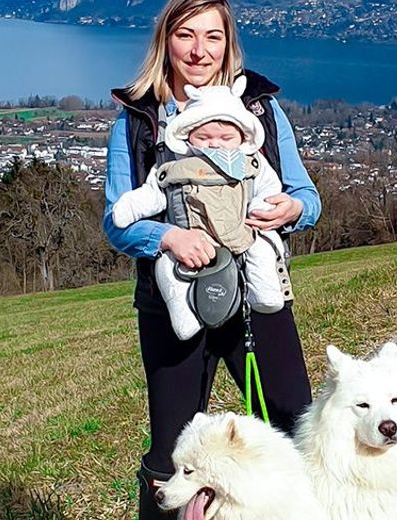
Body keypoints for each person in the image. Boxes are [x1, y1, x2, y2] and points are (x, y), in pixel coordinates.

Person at [101, 0, 321, 518]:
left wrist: (290, 208)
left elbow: (305, 197)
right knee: (171, 458)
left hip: (256, 303)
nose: (199, 51)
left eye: (213, 37)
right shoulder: (138, 120)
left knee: (294, 430)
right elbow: (116, 219)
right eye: (185, 36)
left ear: (228, 44)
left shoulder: (261, 111)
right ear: (165, 42)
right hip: (172, 303)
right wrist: (168, 238)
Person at [110, 77, 291, 340]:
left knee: (262, 248)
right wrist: (137, 212)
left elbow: (270, 188)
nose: (215, 144)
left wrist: (276, 209)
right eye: (204, 137)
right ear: (188, 135)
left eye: (226, 137)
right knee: (167, 267)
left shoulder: (250, 163)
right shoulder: (175, 166)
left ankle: (264, 294)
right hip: (190, 246)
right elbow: (154, 193)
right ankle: (183, 313)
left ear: (242, 136)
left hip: (241, 234)